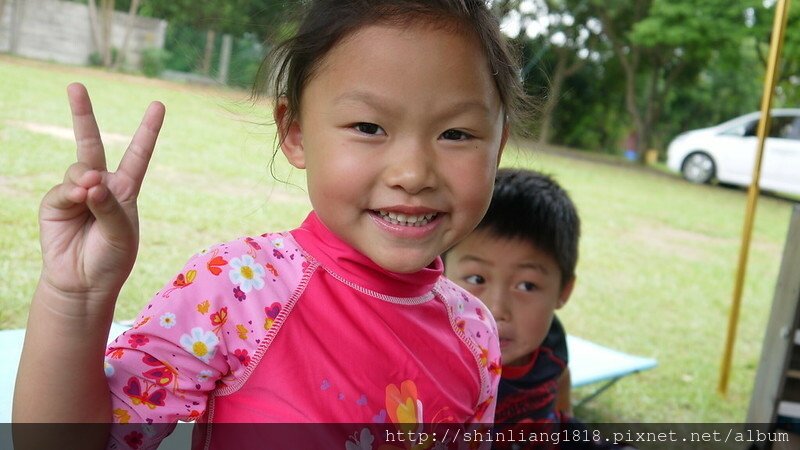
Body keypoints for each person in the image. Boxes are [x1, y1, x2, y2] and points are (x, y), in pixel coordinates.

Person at [13, 1, 530, 449]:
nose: (414, 173)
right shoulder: (239, 289)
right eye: (369, 127)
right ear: (297, 133)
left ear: (498, 146)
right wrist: (75, 297)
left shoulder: (475, 333)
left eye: (457, 133)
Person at [443, 168, 580, 428]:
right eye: (476, 279)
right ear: (439, 275)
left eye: (526, 285)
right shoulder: (433, 368)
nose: (495, 309)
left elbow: (559, 383)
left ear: (563, 292)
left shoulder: (550, 345)